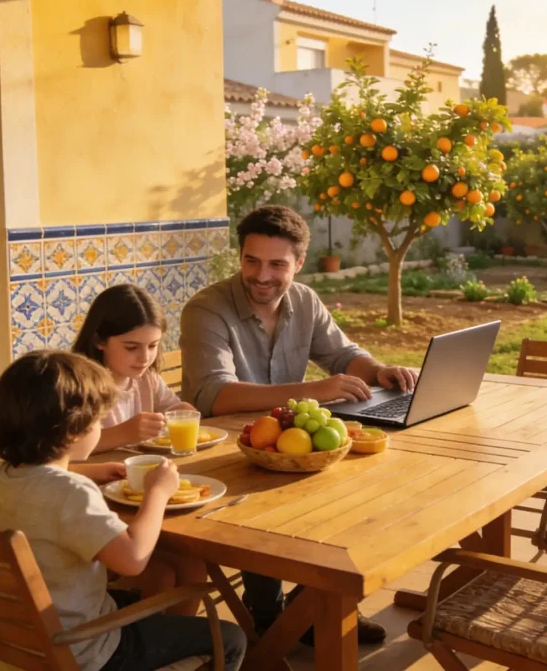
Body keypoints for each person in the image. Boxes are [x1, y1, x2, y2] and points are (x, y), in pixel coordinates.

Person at [180, 205, 419, 645]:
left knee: (357, 492)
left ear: (299, 263)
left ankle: (312, 605)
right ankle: (269, 618)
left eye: (277, 264)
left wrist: (379, 369)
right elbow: (215, 396)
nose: (262, 275)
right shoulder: (207, 310)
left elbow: (344, 356)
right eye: (252, 260)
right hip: (227, 453)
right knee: (268, 509)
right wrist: (311, 393)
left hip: (291, 444)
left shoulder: (304, 300)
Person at [0, 351, 247, 671]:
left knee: (164, 576)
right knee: (230, 639)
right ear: (75, 431)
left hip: (10, 646)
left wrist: (93, 470)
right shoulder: (71, 494)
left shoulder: (0, 473)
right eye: (97, 421)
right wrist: (158, 492)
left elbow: (41, 488)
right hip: (79, 651)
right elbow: (132, 559)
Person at [73, 284, 198, 453]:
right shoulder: (78, 387)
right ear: (99, 341)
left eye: (153, 346)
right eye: (131, 347)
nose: (145, 358)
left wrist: (182, 413)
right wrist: (123, 434)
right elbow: (65, 451)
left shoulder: (148, 379)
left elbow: (173, 409)